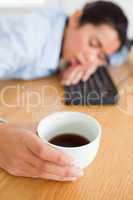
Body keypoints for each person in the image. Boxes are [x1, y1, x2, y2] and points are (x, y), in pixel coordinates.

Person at [0, 1, 128, 181]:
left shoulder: (63, 25)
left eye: (101, 57)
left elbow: (119, 55)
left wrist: (90, 61)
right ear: (76, 18)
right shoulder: (27, 42)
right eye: (93, 43)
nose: (91, 59)